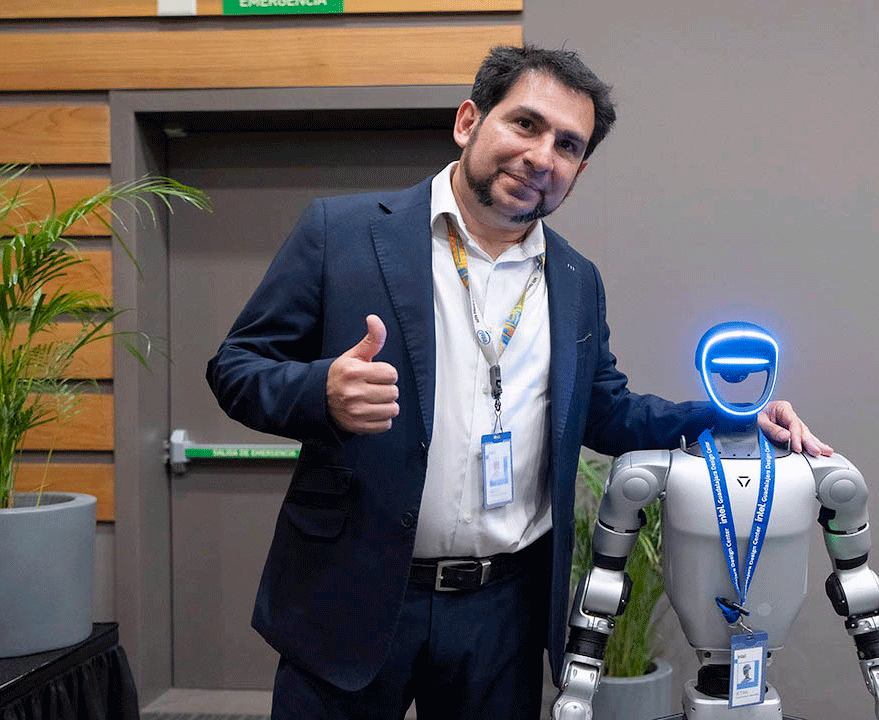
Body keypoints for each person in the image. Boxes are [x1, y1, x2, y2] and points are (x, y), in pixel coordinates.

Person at [206, 44, 833, 720]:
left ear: (578, 172)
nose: (541, 156)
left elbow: (605, 411)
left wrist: (731, 417)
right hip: (352, 593)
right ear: (468, 121)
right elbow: (236, 367)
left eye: (567, 145)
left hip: (501, 614)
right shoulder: (343, 233)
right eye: (526, 124)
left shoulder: (576, 279)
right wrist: (321, 393)